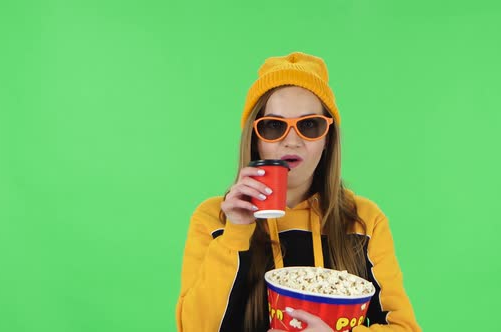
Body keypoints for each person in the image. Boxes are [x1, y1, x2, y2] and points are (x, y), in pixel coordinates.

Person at [175, 52, 421, 332]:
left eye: (309, 125)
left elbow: (404, 327)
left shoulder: (364, 221)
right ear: (255, 139)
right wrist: (236, 232)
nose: (292, 141)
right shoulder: (214, 220)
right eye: (273, 126)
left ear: (328, 138)